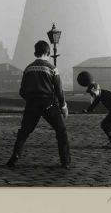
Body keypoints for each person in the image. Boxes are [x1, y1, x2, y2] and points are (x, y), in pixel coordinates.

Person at [6, 40, 71, 169]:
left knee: (24, 131)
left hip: (32, 104)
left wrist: (30, 100)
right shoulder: (52, 68)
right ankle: (65, 161)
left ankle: (16, 155)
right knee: (61, 131)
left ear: (35, 52)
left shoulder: (28, 68)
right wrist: (63, 106)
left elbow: (22, 91)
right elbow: (59, 90)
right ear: (48, 52)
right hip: (48, 103)